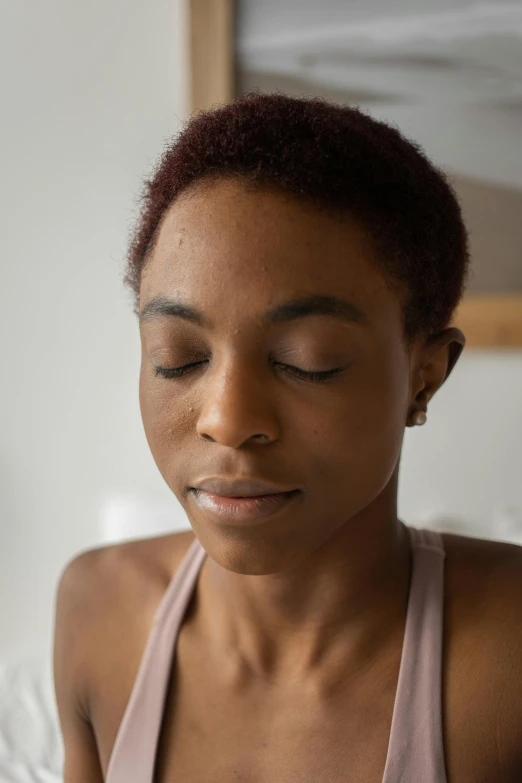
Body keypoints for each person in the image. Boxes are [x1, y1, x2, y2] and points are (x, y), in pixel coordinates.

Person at [53, 92, 522, 782]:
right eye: (178, 355)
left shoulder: (507, 662)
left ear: (423, 378)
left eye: (308, 361)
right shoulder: (96, 610)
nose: (227, 418)